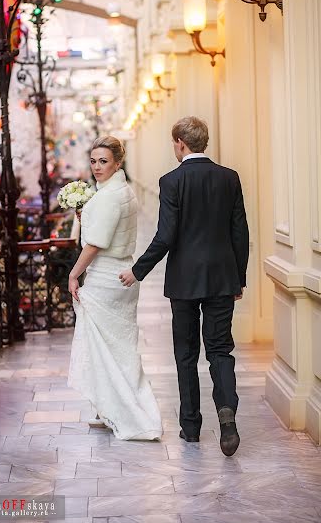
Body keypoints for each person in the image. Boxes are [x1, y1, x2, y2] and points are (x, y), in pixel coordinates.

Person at [120, 116, 249, 457]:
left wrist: (138, 270)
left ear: (180, 142)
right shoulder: (229, 178)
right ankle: (227, 419)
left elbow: (166, 235)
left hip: (184, 281)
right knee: (220, 350)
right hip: (222, 277)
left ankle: (191, 426)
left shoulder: (171, 181)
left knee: (186, 353)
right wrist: (239, 277)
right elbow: (240, 233)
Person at [67, 136, 163, 441]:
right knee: (114, 349)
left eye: (103, 161)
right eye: (93, 161)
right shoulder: (118, 190)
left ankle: (133, 415)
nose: (97, 167)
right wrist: (86, 214)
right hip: (118, 274)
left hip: (107, 278)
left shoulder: (110, 195)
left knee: (110, 349)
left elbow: (96, 243)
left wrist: (73, 274)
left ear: (117, 163)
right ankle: (109, 407)